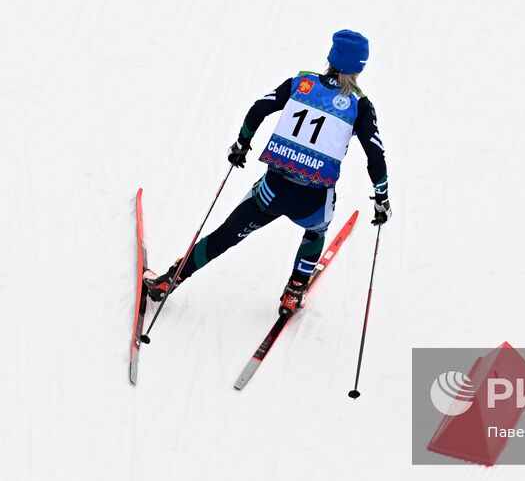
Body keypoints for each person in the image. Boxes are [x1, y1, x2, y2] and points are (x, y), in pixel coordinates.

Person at [145, 29, 390, 317]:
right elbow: (375, 153)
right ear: (360, 67)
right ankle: (294, 291)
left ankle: (170, 279)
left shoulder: (302, 83)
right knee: (316, 230)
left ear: (331, 58)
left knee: (225, 234)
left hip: (272, 191)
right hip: (313, 201)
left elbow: (260, 107)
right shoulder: (360, 105)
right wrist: (381, 198)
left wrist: (241, 144)